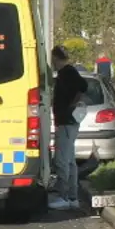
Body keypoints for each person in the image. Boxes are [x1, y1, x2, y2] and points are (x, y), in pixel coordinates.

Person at [51, 45, 88, 211]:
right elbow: (83, 87)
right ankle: (73, 196)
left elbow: (82, 88)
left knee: (62, 160)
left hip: (66, 122)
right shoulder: (68, 72)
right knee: (70, 159)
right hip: (69, 121)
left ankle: (63, 196)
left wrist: (70, 107)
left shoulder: (66, 73)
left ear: (55, 58)